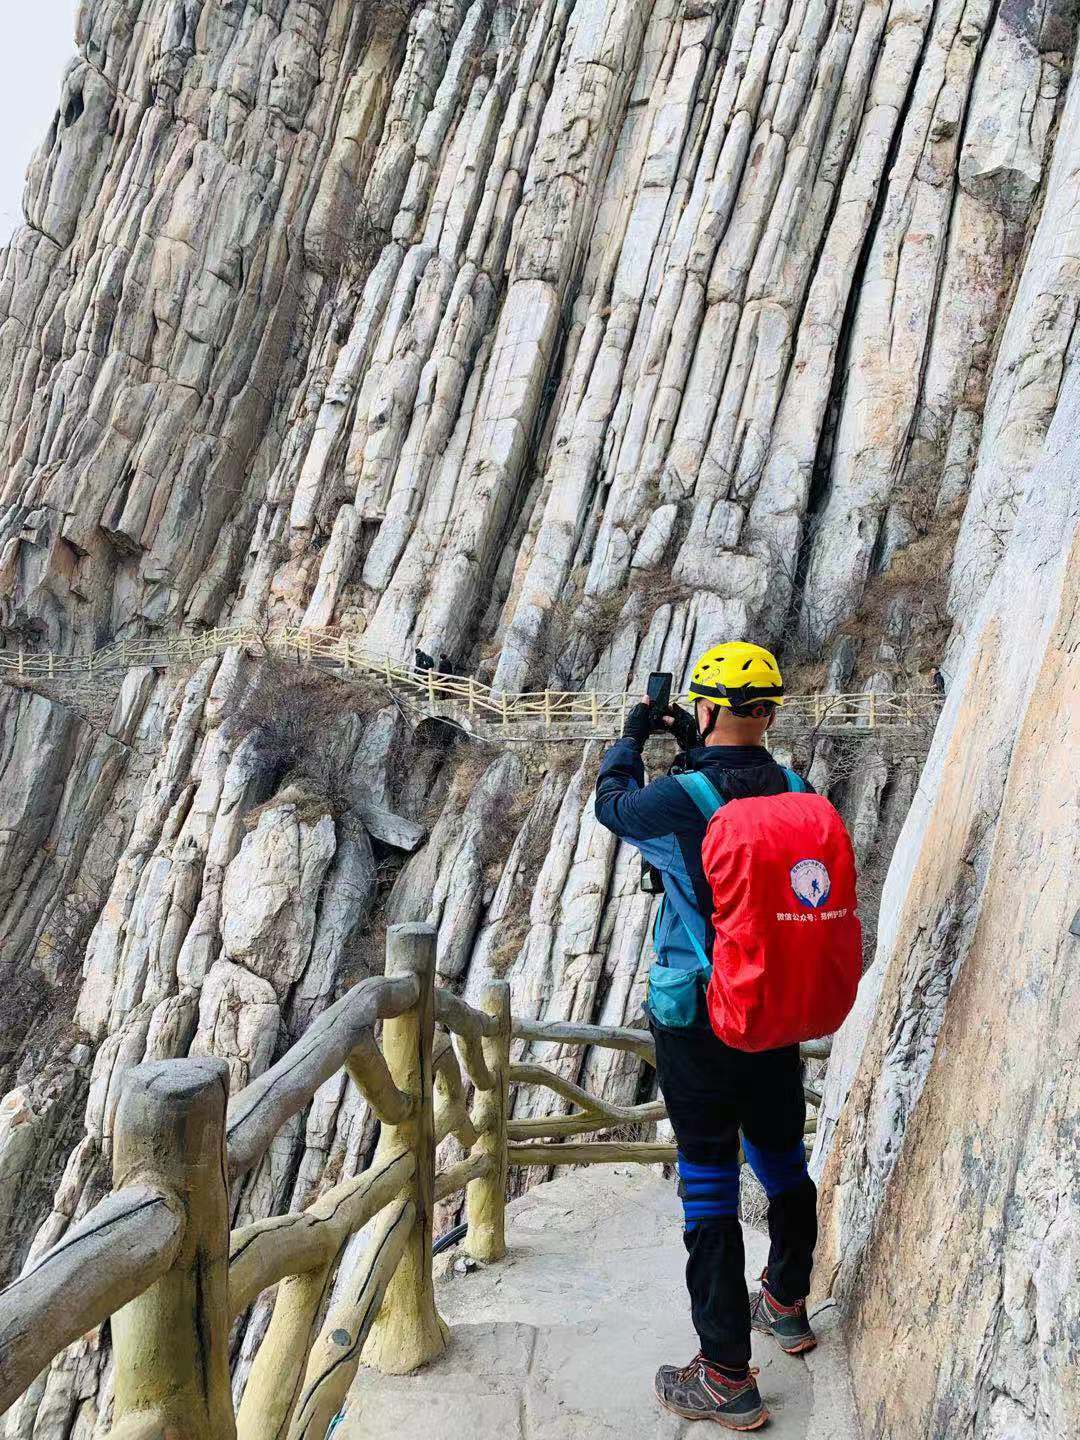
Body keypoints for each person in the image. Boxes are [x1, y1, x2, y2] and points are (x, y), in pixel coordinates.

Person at [594, 642, 818, 1431]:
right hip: (775, 1011)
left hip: (700, 1017)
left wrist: (631, 737)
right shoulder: (796, 787)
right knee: (784, 1160)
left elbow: (612, 805)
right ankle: (786, 1304)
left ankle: (725, 1374)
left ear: (709, 706)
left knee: (711, 1184)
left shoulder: (679, 796)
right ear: (768, 713)